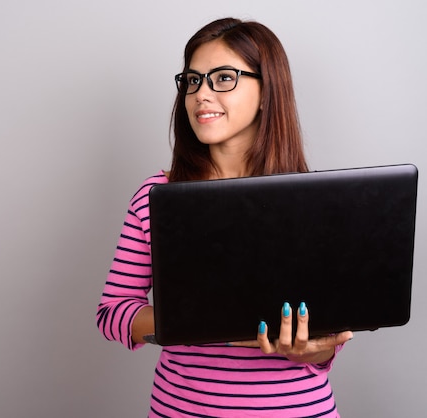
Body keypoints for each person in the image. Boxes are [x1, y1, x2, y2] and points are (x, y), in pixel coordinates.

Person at [96, 17, 354, 417]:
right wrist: (192, 319)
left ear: (267, 91)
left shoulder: (313, 200)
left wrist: (317, 349)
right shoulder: (155, 195)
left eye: (224, 78)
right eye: (193, 80)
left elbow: (322, 343)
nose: (201, 94)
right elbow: (113, 312)